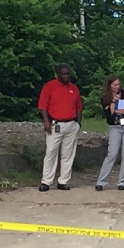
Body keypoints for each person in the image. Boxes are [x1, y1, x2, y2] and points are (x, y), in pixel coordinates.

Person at [37, 64, 82, 192]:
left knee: (68, 154)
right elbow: (43, 106)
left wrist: (78, 123)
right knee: (51, 152)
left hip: (71, 124)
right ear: (58, 74)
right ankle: (46, 181)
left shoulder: (74, 88)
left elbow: (79, 107)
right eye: (64, 74)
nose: (67, 76)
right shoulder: (49, 87)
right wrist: (46, 122)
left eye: (68, 74)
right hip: (55, 124)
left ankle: (63, 181)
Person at [95, 75, 124, 191]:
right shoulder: (105, 98)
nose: (117, 87)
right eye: (115, 85)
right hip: (114, 126)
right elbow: (109, 115)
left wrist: (121, 110)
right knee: (112, 153)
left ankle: (122, 182)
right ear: (109, 86)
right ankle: (101, 181)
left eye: (118, 84)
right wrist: (113, 102)